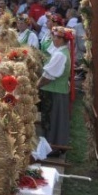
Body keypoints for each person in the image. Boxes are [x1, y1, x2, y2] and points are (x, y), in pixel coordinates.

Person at [38, 26, 74, 154]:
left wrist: (36, 86)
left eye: (56, 37)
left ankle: (53, 147)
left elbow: (48, 76)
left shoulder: (60, 55)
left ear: (62, 39)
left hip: (54, 93)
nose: (53, 39)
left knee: (52, 120)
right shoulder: (61, 51)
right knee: (53, 120)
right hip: (56, 92)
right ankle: (53, 146)